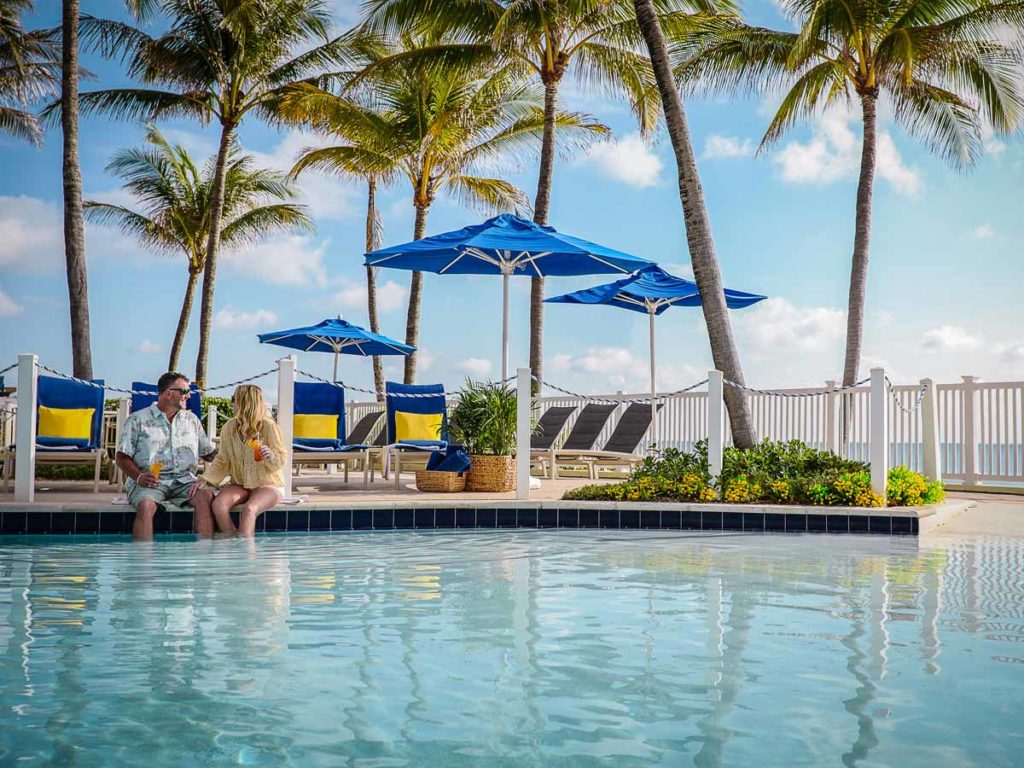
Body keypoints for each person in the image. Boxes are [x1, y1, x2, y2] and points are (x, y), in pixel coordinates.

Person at [115, 371, 216, 540]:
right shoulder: (137, 419)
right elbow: (122, 456)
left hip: (185, 481)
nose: (188, 396)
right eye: (184, 392)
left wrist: (237, 456)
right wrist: (138, 477)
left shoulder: (192, 420)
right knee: (146, 506)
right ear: (168, 393)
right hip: (150, 481)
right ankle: (143, 561)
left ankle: (204, 556)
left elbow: (208, 453)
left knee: (205, 496)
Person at [198, 384, 285, 536]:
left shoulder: (269, 427)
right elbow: (222, 460)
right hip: (240, 483)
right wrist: (205, 479)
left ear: (245, 403)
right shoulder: (228, 428)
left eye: (234, 399)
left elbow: (281, 460)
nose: (232, 403)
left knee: (249, 510)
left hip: (267, 484)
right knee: (219, 505)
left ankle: (245, 554)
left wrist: (270, 456)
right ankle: (233, 546)